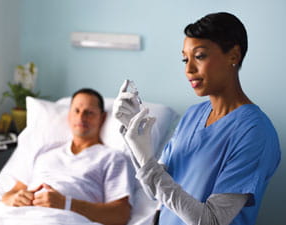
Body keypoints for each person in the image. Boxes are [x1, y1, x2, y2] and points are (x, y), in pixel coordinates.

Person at [113, 12, 281, 225]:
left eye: (199, 56)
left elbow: (211, 221)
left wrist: (147, 163)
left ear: (234, 55)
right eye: (185, 59)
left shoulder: (255, 132)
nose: (188, 69)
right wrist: (134, 141)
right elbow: (154, 191)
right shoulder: (193, 116)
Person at [2, 88, 135, 225]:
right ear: (69, 115)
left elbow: (120, 214)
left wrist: (67, 204)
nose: (81, 117)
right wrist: (15, 199)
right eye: (76, 111)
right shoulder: (44, 151)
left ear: (102, 118)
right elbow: (11, 193)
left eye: (89, 113)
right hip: (19, 217)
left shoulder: (112, 158)